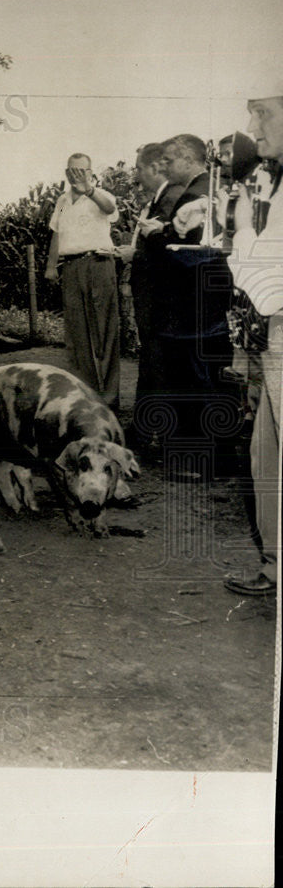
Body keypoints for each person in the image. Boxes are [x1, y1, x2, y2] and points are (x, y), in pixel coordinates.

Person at [177, 78, 283, 595]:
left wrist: (231, 238)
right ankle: (274, 565)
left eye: (262, 113)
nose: (251, 127)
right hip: (274, 336)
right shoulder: (272, 181)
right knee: (266, 455)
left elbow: (265, 276)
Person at [147, 134, 234, 471]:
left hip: (193, 314)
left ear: (187, 158)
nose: (164, 166)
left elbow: (192, 256)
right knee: (206, 383)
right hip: (200, 311)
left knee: (196, 384)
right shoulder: (203, 191)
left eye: (169, 160)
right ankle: (215, 459)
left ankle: (200, 461)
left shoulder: (200, 195)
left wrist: (156, 236)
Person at [113, 143, 185, 439]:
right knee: (151, 359)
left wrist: (135, 256)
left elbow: (166, 251)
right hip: (152, 296)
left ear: (155, 168)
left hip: (160, 298)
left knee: (158, 362)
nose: (137, 176)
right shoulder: (160, 198)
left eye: (140, 169)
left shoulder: (170, 199)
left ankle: (152, 430)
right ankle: (147, 428)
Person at [44, 153, 121, 409]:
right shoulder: (62, 200)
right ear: (66, 173)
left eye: (82, 171)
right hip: (72, 268)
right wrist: (51, 266)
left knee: (104, 331)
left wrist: (88, 190)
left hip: (98, 265)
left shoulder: (102, 196)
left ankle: (109, 398)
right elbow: (56, 234)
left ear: (90, 173)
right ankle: (85, 395)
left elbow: (110, 209)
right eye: (73, 171)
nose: (77, 175)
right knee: (77, 334)